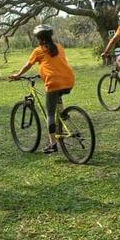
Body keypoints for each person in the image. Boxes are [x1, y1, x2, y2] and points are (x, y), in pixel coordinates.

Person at [9, 25, 75, 154]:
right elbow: (57, 64)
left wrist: (18, 75)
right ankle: (63, 115)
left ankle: (53, 144)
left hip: (53, 83)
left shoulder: (38, 50)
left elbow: (28, 65)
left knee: (49, 114)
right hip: (68, 80)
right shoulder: (60, 47)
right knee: (57, 98)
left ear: (39, 38)